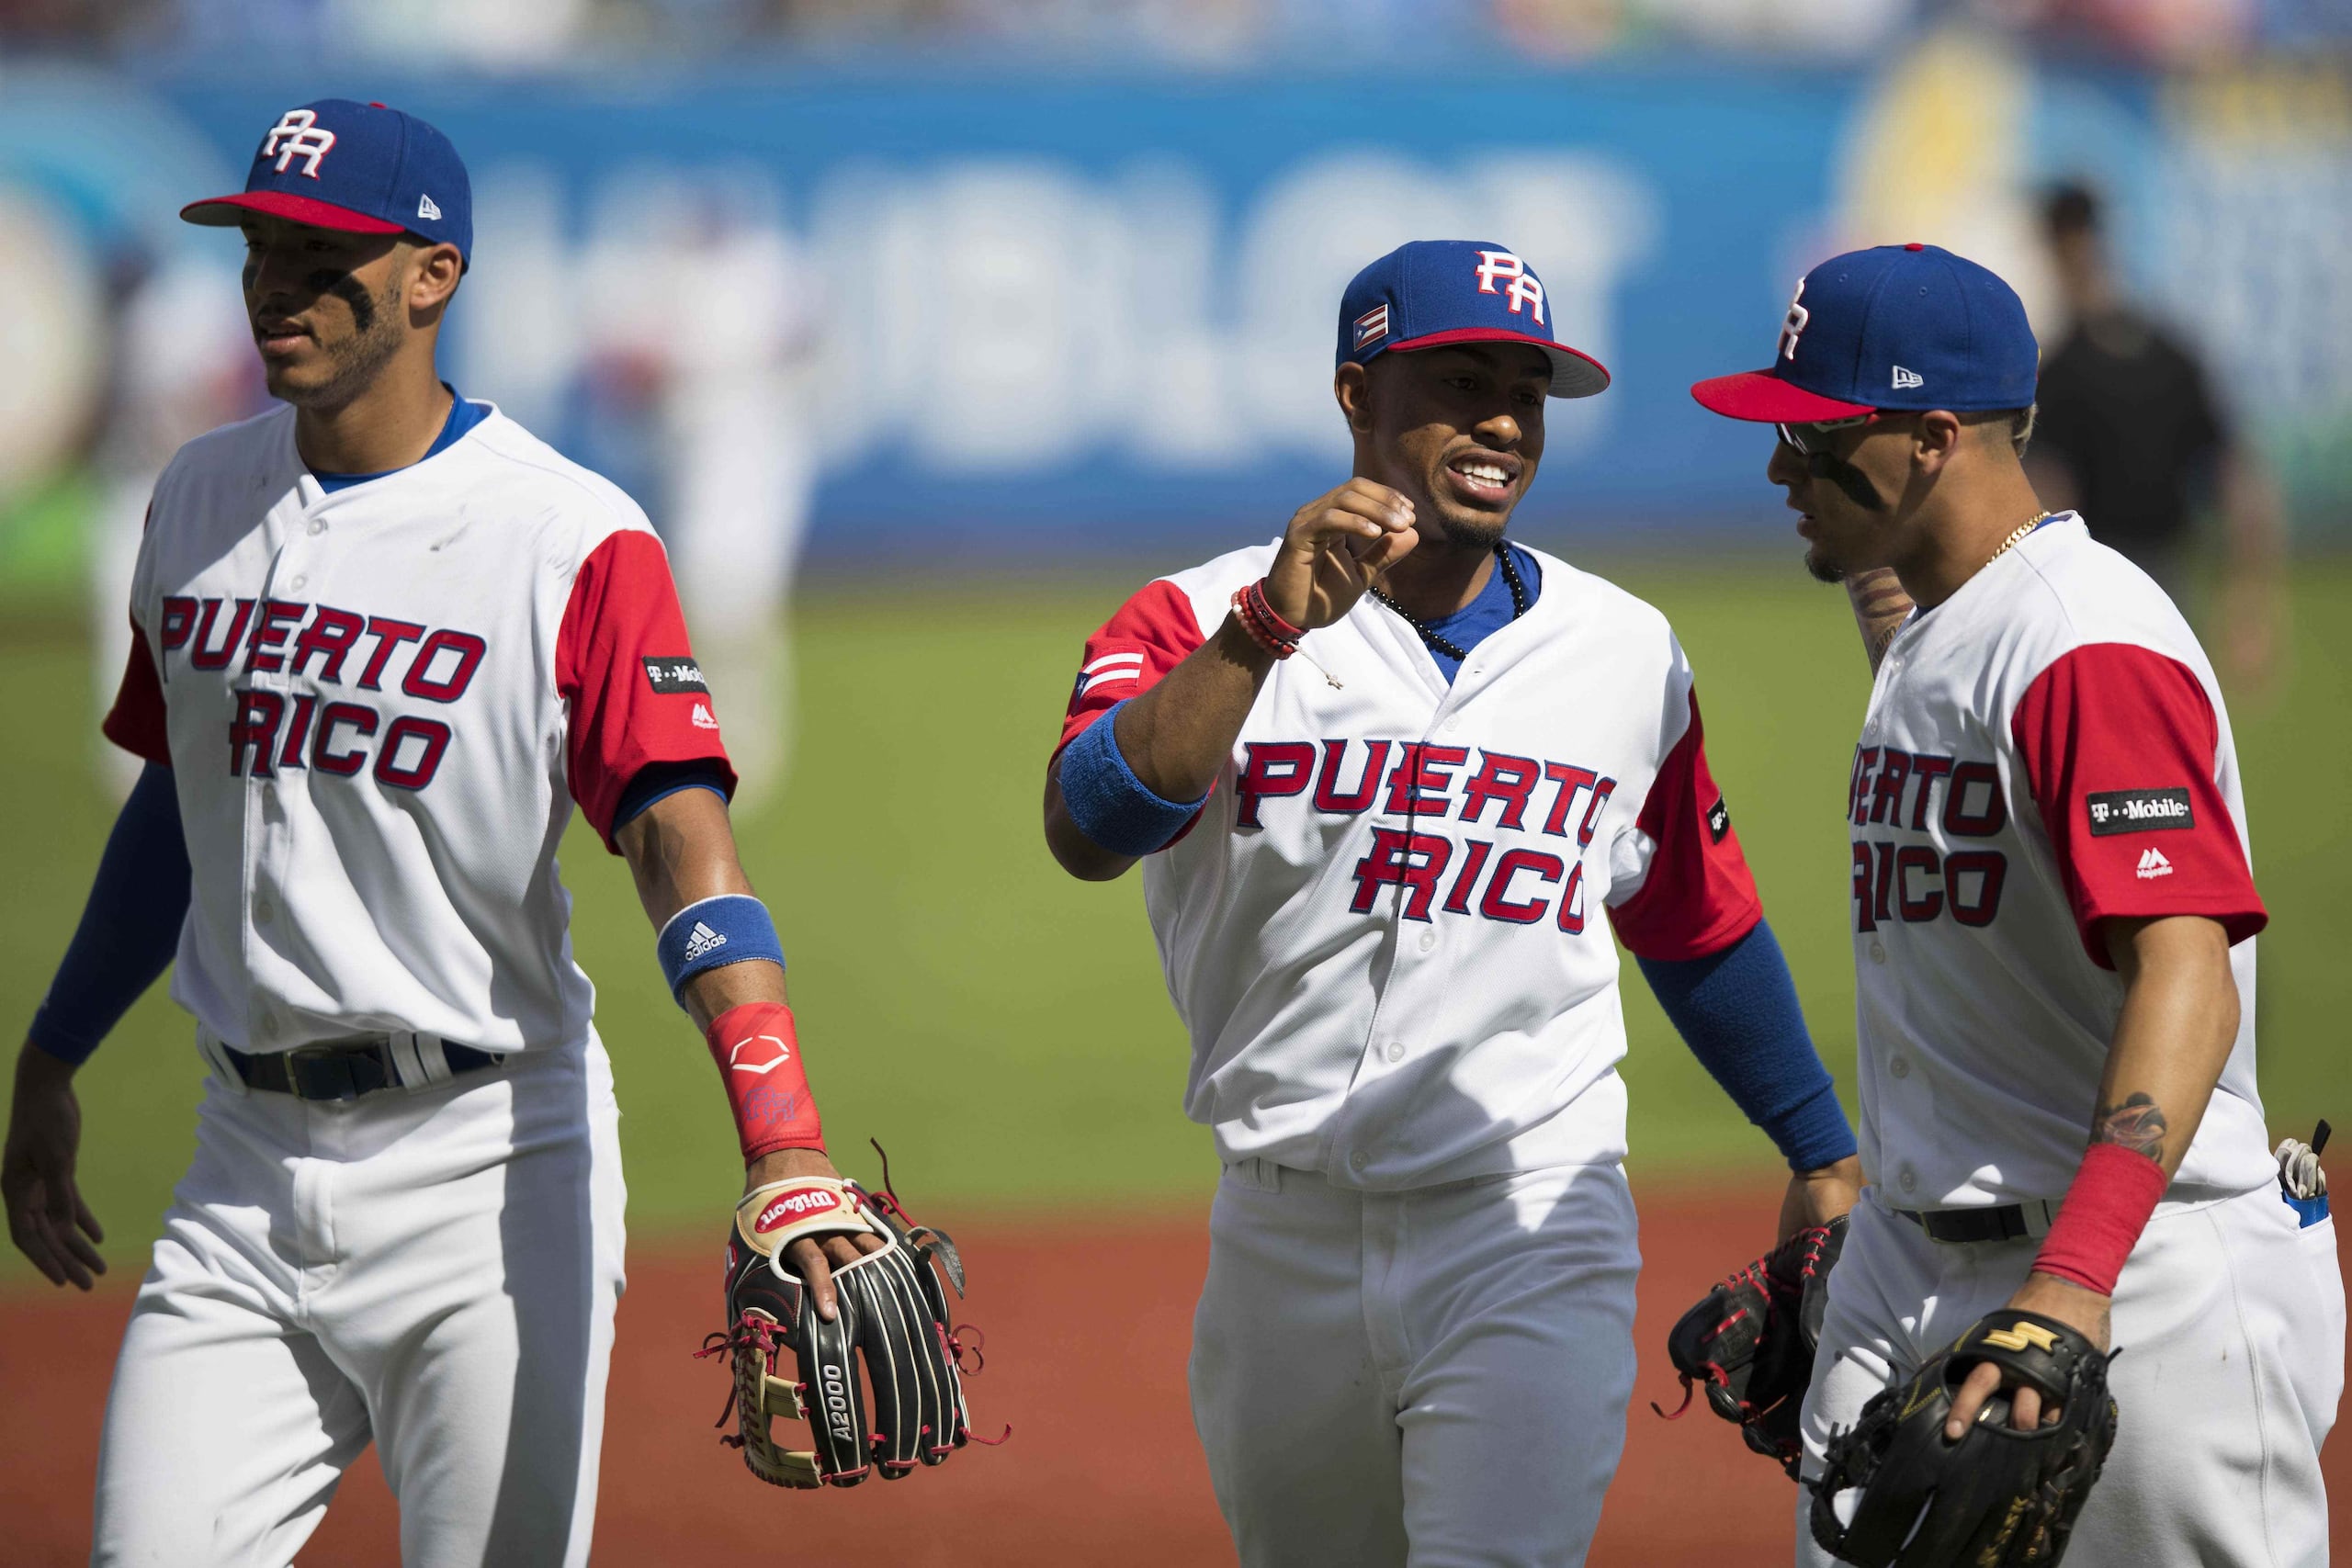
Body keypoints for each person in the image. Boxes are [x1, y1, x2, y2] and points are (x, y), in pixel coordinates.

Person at [0, 99, 885, 1565]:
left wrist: (780, 1130)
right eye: (261, 247)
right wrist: (53, 1048)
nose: (277, 282)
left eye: (325, 253)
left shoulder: (566, 534)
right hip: (238, 1176)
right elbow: (180, 798)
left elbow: (676, 831)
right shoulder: (200, 494)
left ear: (432, 276)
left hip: (489, 1170)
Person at [1041, 238, 1863, 1567]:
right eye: (1460, 382)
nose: (1501, 421)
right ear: (1357, 394)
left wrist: (1820, 1148)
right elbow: (1089, 824)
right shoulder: (1193, 612)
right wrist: (1258, 631)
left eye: (1526, 392)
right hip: (1279, 1223)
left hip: (1528, 1214)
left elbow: (1693, 915)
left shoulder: (1622, 649)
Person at [1690, 242, 2341, 1567]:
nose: (1779, 470)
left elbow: (2187, 968)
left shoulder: (2084, 642)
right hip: (1909, 1262)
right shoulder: (1950, 618)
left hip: (2134, 1278)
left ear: (1930, 438)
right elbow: (1930, 643)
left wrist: (2075, 1276)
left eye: (1814, 440)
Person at [2031, 181, 2285, 692]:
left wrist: (2250, 602)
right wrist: (2251, 604)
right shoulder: (2167, 353)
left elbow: (2046, 495)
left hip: (2092, 589)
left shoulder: (2059, 370)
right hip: (2162, 591)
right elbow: (2240, 481)